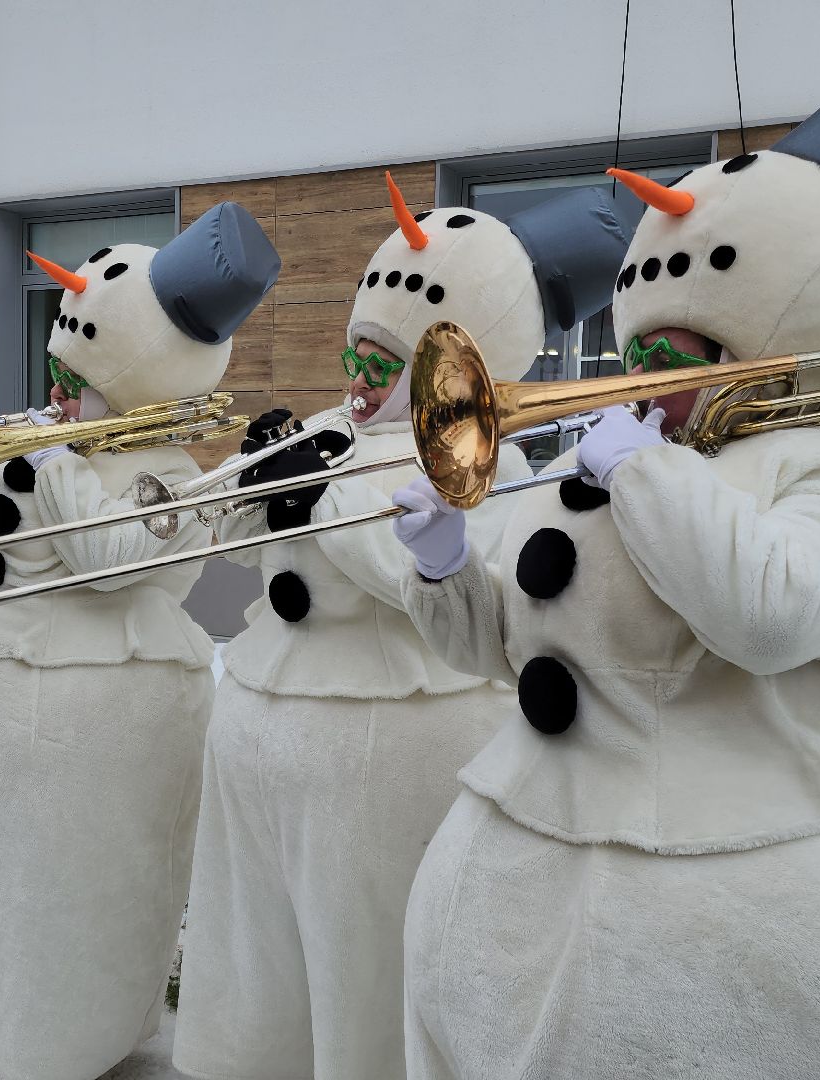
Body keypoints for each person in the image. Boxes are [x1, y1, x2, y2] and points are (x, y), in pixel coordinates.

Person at [389, 44, 820, 1079]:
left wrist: (645, 478)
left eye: (681, 358)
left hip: (746, 911)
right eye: (646, 352)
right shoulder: (627, 464)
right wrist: (443, 564)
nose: (649, 379)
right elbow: (513, 651)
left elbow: (765, 615)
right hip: (527, 871)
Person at [173, 175, 629, 1080]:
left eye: (385, 367)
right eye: (358, 357)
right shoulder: (324, 432)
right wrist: (255, 479)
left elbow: (426, 577)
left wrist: (321, 493)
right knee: (256, 957)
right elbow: (208, 539)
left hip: (382, 745)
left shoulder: (480, 462)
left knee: (361, 965)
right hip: (262, 727)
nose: (358, 382)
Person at [0, 202, 279, 1080]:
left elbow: (110, 564)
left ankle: (47, 1049)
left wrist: (61, 463)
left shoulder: (177, 474)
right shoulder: (29, 439)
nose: (56, 388)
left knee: (45, 897)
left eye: (75, 375)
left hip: (75, 704)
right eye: (56, 366)